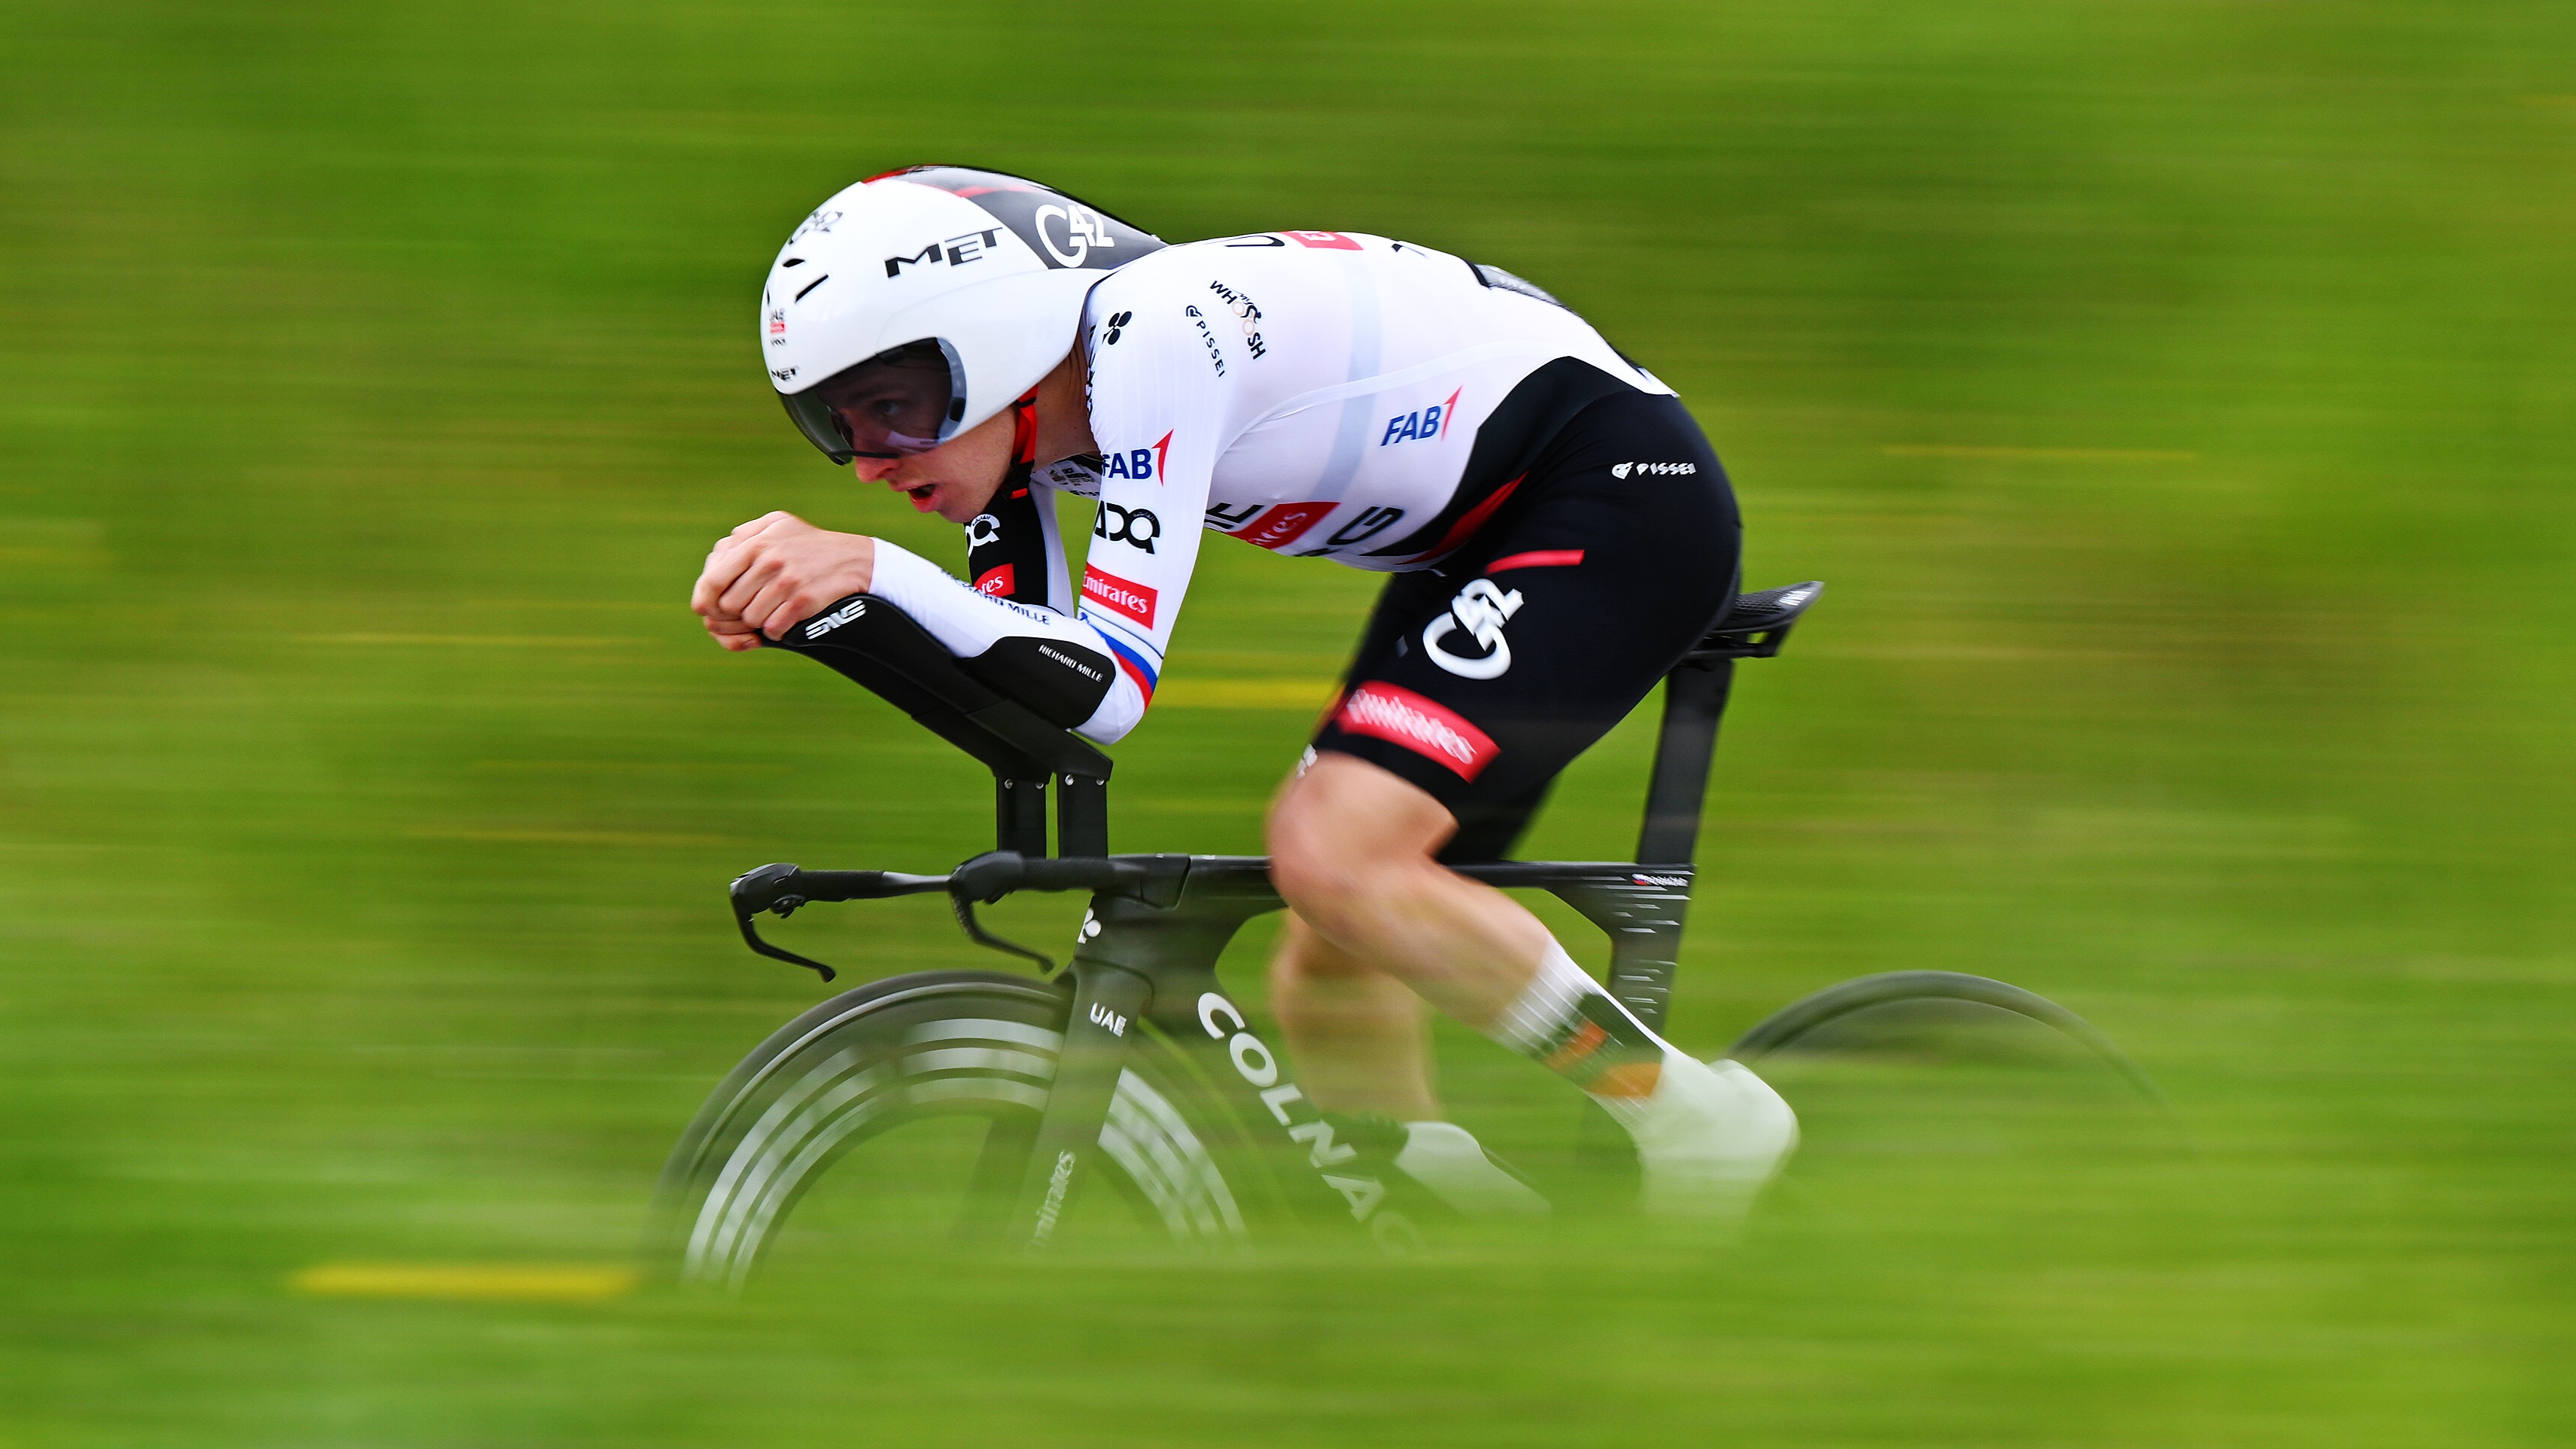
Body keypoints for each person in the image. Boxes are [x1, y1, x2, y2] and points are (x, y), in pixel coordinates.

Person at [692, 166, 1796, 1218]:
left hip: (1615, 496)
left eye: (891, 404)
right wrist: (835, 623)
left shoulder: (1156, 334)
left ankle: (1696, 1121)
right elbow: (1030, 681)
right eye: (832, 424)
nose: (870, 459)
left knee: (1335, 854)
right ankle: (1481, 1246)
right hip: (1473, 543)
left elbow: (1108, 685)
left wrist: (877, 573)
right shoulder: (1014, 436)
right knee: (1327, 950)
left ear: (998, 345)